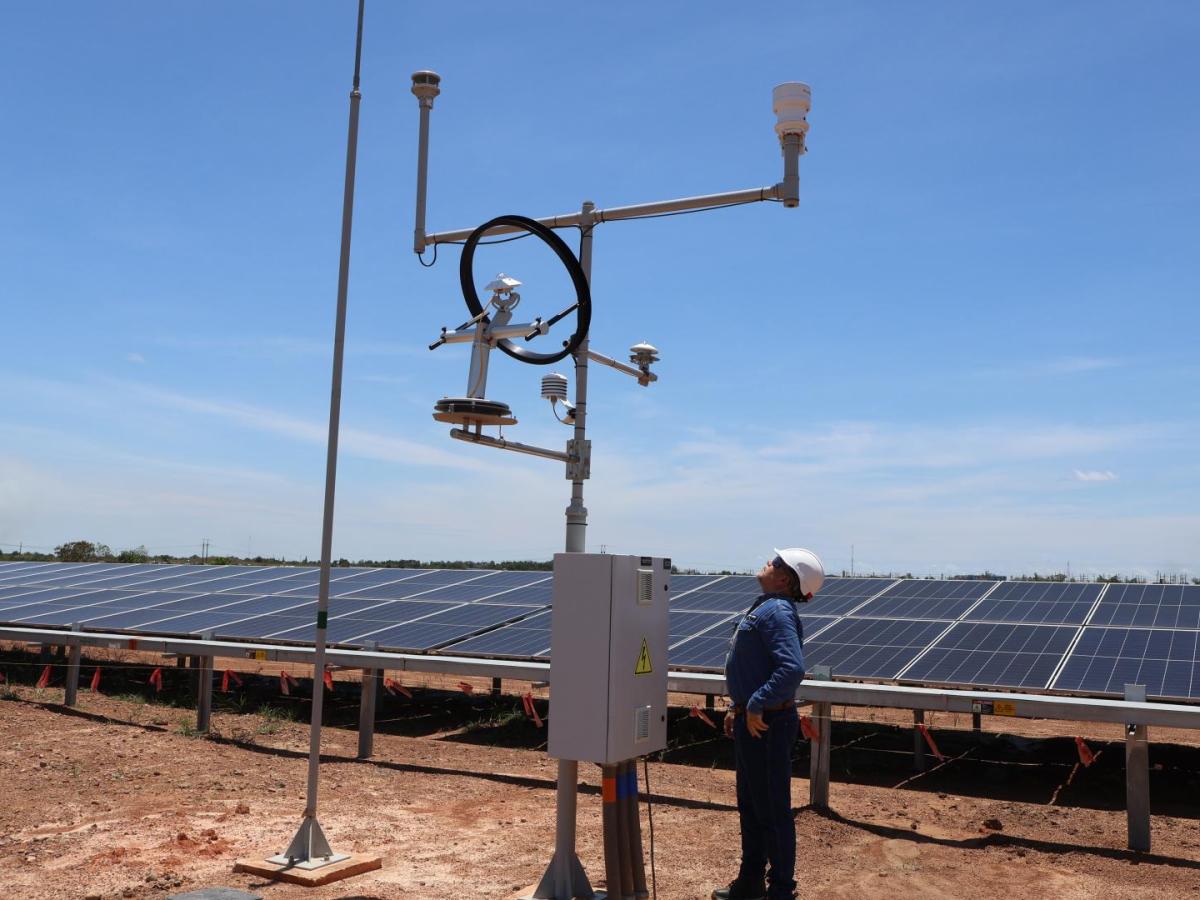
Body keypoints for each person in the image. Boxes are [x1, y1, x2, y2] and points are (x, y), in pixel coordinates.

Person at [712, 547, 825, 900]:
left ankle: (780, 890)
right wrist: (738, 706)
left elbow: (791, 669)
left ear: (785, 578)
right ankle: (750, 882)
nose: (768, 562)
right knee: (752, 804)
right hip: (757, 721)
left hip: (768, 724)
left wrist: (757, 704)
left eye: (775, 562)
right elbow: (755, 667)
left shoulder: (775, 611)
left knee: (772, 809)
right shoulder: (767, 606)